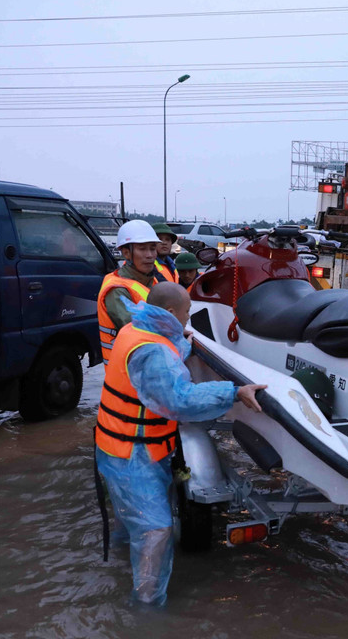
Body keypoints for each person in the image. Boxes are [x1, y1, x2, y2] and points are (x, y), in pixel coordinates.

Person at [95, 282, 266, 606]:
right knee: (155, 529)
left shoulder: (137, 329)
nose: (189, 317)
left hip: (126, 445)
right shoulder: (152, 350)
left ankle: (118, 561)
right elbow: (177, 399)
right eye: (187, 312)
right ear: (171, 313)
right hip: (132, 452)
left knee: (127, 515)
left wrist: (183, 346)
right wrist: (233, 392)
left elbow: (162, 360)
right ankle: (145, 607)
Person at [98, 220, 161, 365]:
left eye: (152, 248)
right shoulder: (117, 290)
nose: (150, 255)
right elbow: (139, 330)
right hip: (126, 375)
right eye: (143, 249)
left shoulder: (151, 281)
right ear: (126, 253)